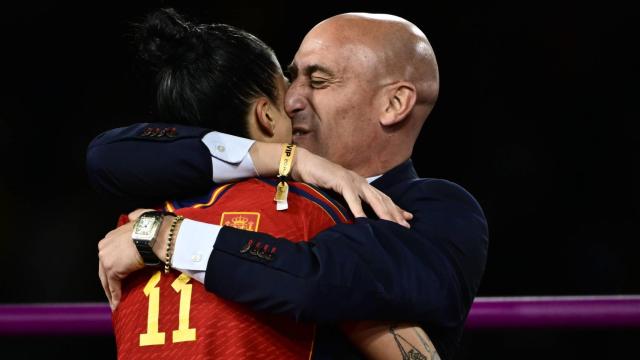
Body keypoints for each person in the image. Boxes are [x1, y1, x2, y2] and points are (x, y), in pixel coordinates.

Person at [90, 11, 488, 359]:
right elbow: (108, 156)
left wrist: (166, 236)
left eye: (319, 80)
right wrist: (288, 160)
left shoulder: (434, 209)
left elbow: (317, 280)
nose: (292, 99)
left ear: (393, 104)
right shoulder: (254, 182)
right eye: (292, 77)